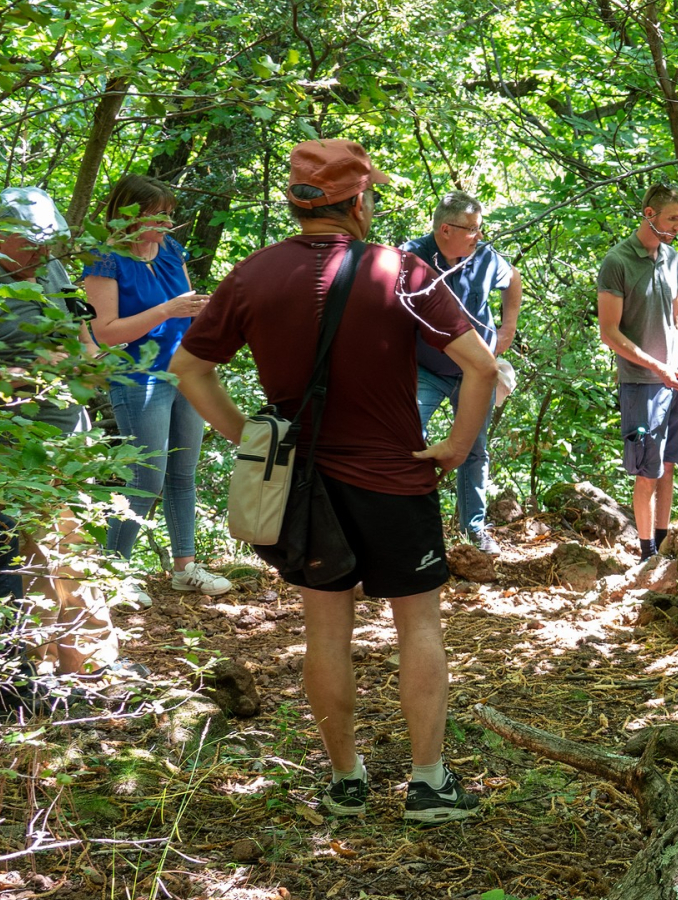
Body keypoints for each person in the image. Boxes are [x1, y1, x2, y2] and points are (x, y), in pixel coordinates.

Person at [170, 139, 496, 823]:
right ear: (356, 203)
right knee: (418, 624)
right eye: (369, 193)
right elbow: (483, 368)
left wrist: (253, 440)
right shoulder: (401, 272)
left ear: (296, 203)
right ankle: (429, 784)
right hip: (396, 479)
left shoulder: (253, 275)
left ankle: (346, 780)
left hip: (303, 487)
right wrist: (456, 448)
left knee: (324, 630)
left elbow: (191, 370)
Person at [82, 175, 231, 599]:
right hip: (137, 377)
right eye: (157, 215)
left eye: (169, 214)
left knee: (183, 473)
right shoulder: (105, 259)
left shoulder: (169, 251)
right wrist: (166, 310)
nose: (167, 223)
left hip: (186, 371)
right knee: (145, 479)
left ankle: (186, 567)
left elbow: (189, 310)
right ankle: (111, 576)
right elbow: (106, 332)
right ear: (128, 214)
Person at [0, 187, 115, 675]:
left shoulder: (50, 270)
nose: (43, 254)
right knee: (42, 557)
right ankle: (43, 667)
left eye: (50, 243)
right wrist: (28, 377)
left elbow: (82, 329)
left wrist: (89, 364)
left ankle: (81, 667)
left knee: (67, 554)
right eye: (32, 243)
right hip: (12, 453)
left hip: (68, 442)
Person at [401, 191, 522, 555]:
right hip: (427, 369)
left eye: (480, 228)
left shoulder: (484, 258)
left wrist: (507, 329)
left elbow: (512, 278)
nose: (479, 236)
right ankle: (409, 527)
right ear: (445, 228)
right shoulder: (411, 256)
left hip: (476, 373)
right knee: (407, 442)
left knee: (474, 449)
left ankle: (474, 532)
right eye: (472, 229)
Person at [596, 185, 678, 562]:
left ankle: (661, 553)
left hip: (677, 382)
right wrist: (658, 367)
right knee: (647, 472)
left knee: (669, 466)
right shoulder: (618, 261)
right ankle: (645, 556)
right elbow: (609, 332)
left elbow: (677, 317)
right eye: (672, 218)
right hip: (643, 383)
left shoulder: (672, 258)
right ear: (649, 215)